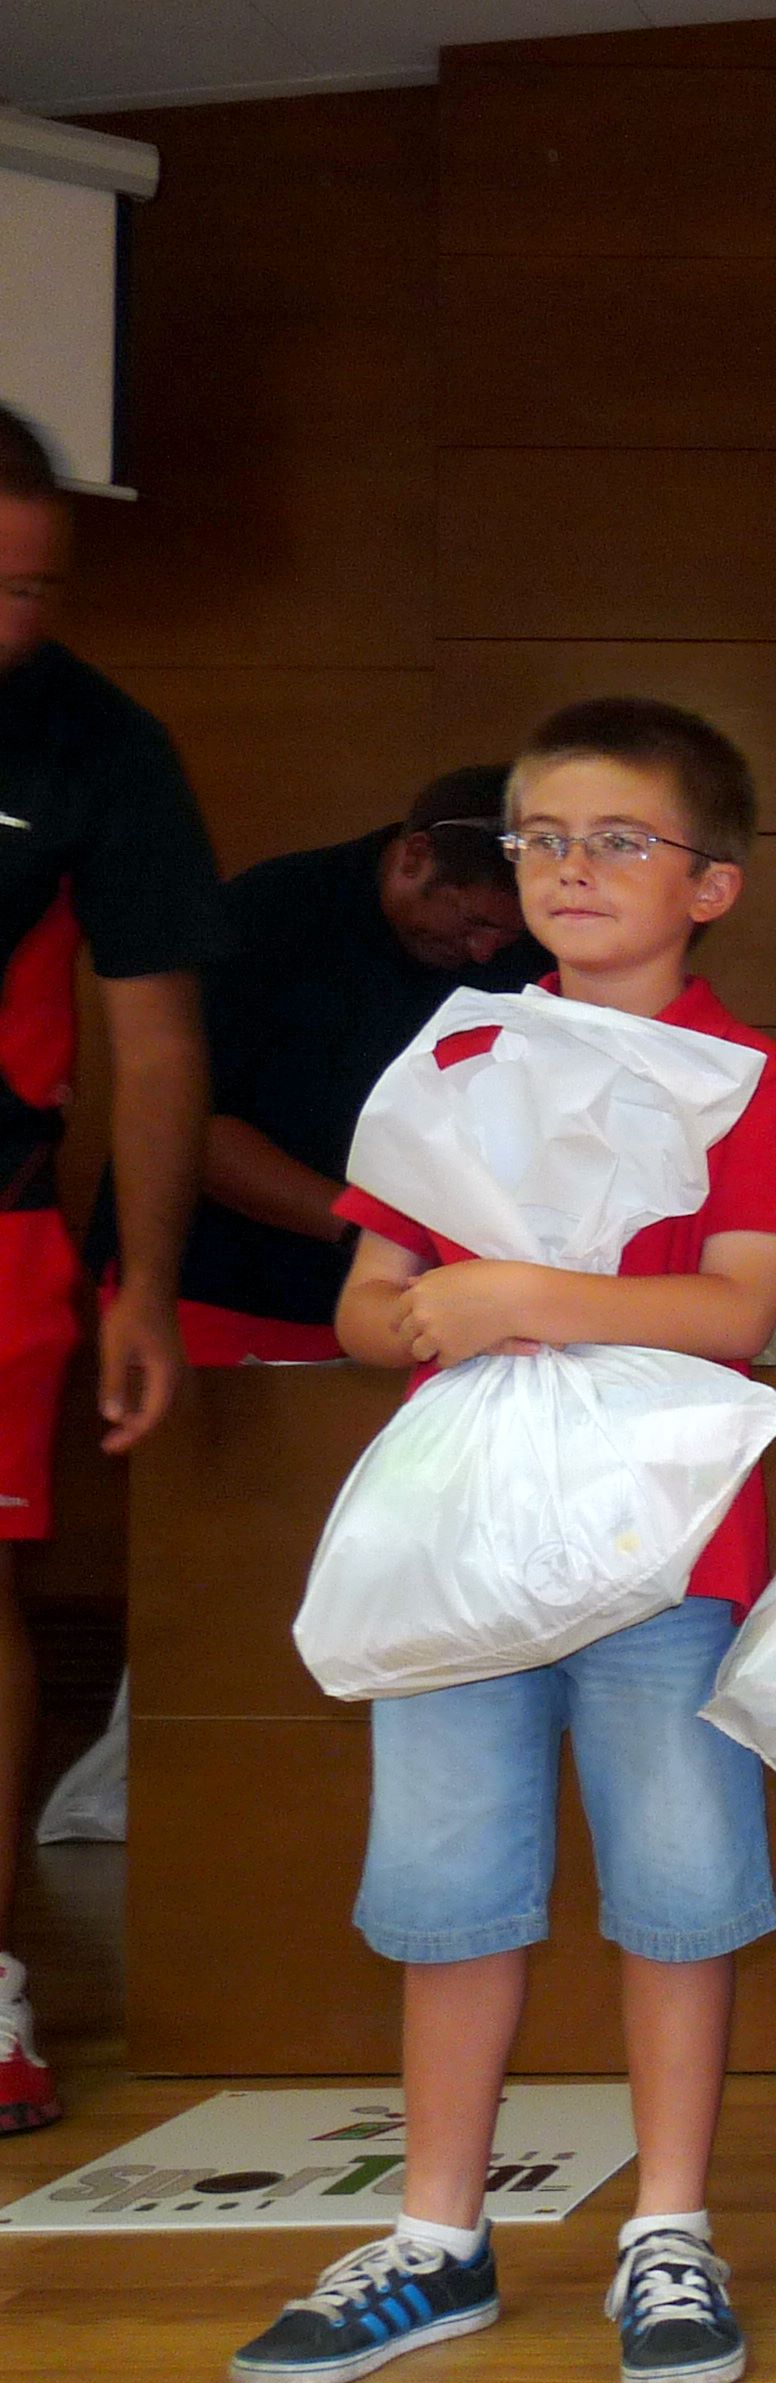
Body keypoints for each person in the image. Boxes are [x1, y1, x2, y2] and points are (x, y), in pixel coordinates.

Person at [227, 699, 776, 2383]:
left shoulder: (746, 1075)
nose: (571, 868)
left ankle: (672, 2228)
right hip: (467, 1541)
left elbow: (739, 1308)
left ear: (710, 884)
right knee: (448, 1885)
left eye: (619, 841)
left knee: (680, 1887)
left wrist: (518, 1298)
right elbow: (369, 1305)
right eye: (541, 839)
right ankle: (438, 2235)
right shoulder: (456, 1060)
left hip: (666, 1546)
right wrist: (433, 1314)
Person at [0, 402, 226, 2139]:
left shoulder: (100, 742)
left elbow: (155, 1044)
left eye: (38, 587)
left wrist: (143, 1283)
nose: (15, 619)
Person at [110, 768, 545, 1368]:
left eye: (508, 936)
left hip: (418, 1299)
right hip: (220, 1285)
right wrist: (368, 1231)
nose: (485, 952)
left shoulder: (529, 956)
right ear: (414, 857)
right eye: (475, 923)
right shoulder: (270, 915)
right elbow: (187, 1130)